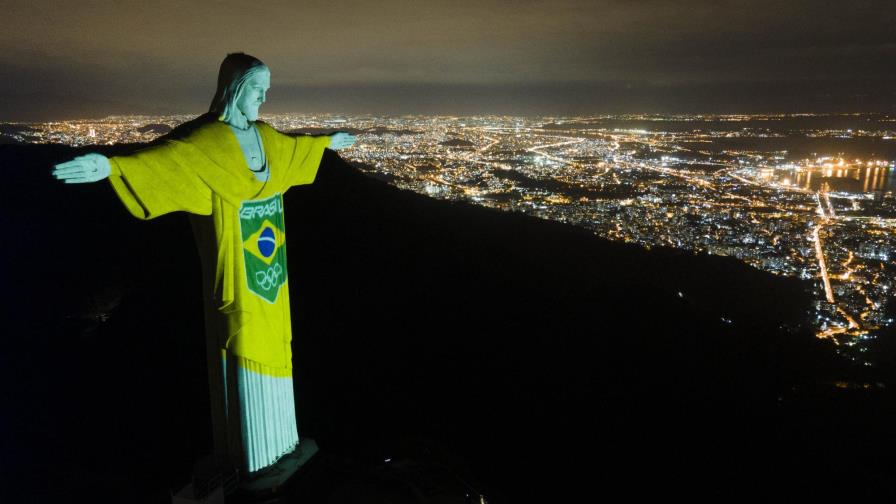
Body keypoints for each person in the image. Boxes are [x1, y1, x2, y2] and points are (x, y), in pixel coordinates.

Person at [51, 52, 356, 477]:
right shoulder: (206, 142)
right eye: (257, 89)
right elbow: (165, 159)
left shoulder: (266, 137)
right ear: (234, 88)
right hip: (236, 275)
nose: (264, 98)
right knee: (243, 344)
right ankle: (252, 465)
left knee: (277, 347)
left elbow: (294, 150)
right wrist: (111, 167)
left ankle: (281, 451)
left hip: (271, 277)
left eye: (267, 90)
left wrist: (327, 142)